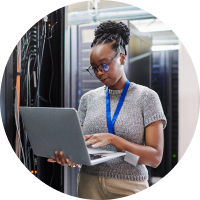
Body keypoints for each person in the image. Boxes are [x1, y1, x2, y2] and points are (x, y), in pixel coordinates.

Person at [47, 20, 167, 199]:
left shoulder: (147, 97)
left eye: (104, 65)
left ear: (122, 58)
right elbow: (79, 147)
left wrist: (112, 139)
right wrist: (70, 157)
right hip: (89, 183)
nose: (99, 73)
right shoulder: (88, 99)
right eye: (94, 68)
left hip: (129, 186)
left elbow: (155, 158)